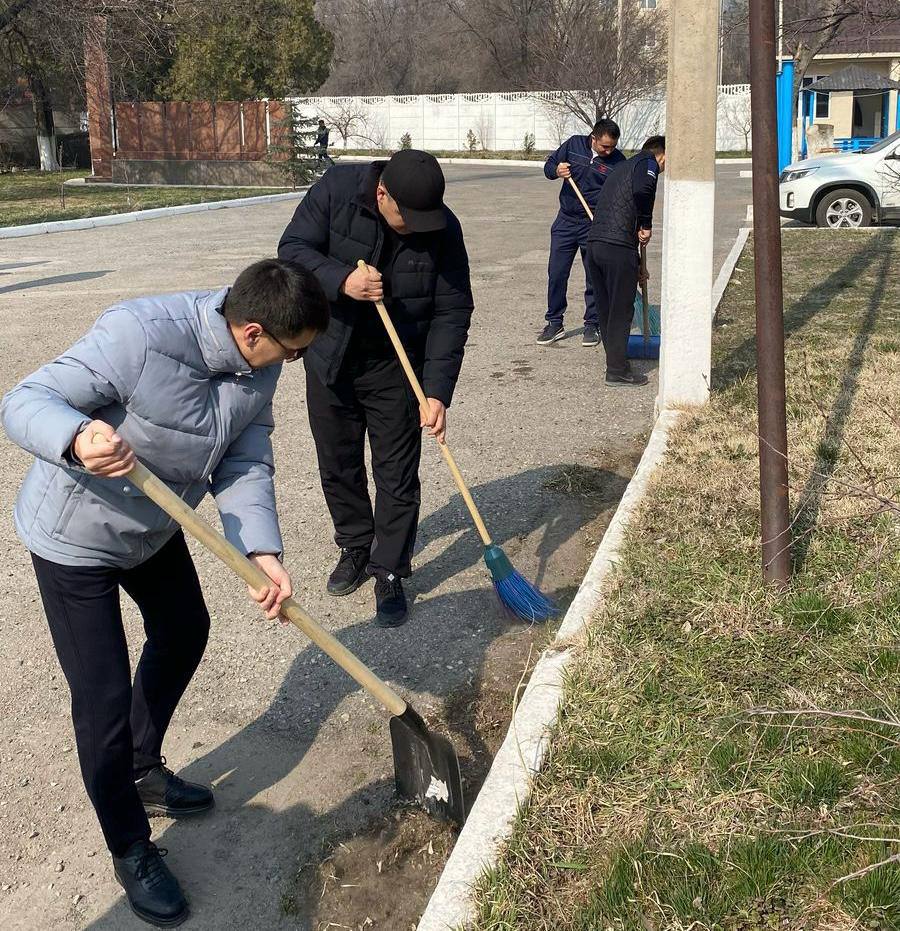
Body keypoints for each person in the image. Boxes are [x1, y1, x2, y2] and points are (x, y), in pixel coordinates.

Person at [1, 259, 330, 928]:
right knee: (102, 701)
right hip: (75, 536)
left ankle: (142, 766)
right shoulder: (141, 334)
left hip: (153, 525)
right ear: (253, 331)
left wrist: (261, 551)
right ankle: (130, 846)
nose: (292, 364)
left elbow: (244, 457)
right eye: (292, 352)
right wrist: (76, 436)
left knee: (184, 630)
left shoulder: (259, 369)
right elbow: (25, 399)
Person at [278, 148, 474, 628]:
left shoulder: (440, 226)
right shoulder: (337, 191)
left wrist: (437, 391)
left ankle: (389, 568)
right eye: (409, 219)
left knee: (397, 473)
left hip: (398, 365)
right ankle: (355, 546)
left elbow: (453, 310)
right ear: (382, 193)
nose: (418, 230)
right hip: (331, 356)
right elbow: (292, 250)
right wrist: (341, 279)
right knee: (338, 463)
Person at [537, 118, 626, 347]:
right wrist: (556, 170)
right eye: (605, 146)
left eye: (612, 147)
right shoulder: (574, 145)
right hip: (566, 221)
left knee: (593, 275)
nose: (609, 151)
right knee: (557, 272)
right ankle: (554, 322)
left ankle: (592, 324)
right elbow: (549, 167)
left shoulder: (618, 162)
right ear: (593, 138)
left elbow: (623, 197)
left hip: (594, 223)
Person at [586, 135, 666, 387]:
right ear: (663, 154)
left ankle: (615, 361)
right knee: (621, 310)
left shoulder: (623, 167)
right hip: (616, 248)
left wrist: (637, 264)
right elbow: (643, 191)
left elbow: (621, 210)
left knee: (607, 308)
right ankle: (617, 371)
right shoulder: (648, 163)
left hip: (596, 246)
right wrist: (646, 224)